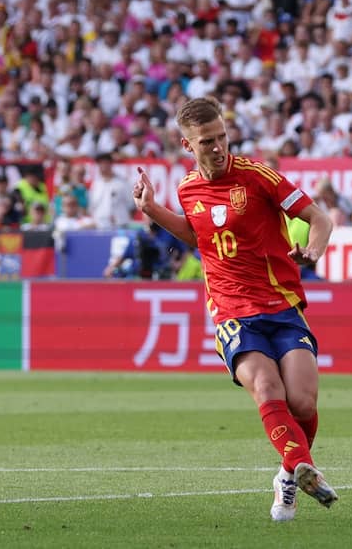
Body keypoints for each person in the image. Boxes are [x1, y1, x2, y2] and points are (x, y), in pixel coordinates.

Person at [131, 96, 338, 522]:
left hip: (282, 304)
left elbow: (320, 218)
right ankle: (301, 466)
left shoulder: (258, 176)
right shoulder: (187, 189)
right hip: (231, 310)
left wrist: (313, 251)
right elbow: (198, 236)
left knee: (302, 402)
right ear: (188, 145)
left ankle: (287, 473)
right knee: (267, 388)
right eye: (207, 141)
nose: (218, 146)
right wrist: (152, 209)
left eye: (222, 136)